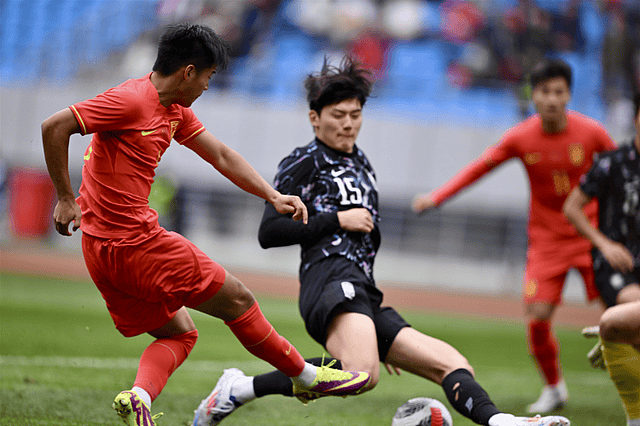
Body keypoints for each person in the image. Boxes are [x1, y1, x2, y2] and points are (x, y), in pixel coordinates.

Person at [192, 56, 571, 426]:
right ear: (315, 118)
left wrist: (370, 329)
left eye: (354, 115)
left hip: (363, 292)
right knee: (363, 373)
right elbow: (269, 232)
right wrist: (337, 219)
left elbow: (366, 242)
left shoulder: (363, 164)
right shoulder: (304, 160)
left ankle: (504, 421)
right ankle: (242, 388)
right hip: (327, 281)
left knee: (451, 363)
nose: (348, 125)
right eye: (338, 116)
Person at [40, 24, 370, 426]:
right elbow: (55, 126)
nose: (208, 87)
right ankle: (305, 377)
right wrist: (63, 197)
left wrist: (272, 195)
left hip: (100, 251)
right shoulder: (131, 100)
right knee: (240, 300)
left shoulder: (173, 110)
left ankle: (138, 397)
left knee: (180, 333)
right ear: (188, 72)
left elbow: (220, 155)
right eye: (209, 78)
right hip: (135, 244)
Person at [412, 58, 617, 414]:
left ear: (569, 94)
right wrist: (437, 197)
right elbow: (479, 168)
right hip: (547, 241)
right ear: (533, 95)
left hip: (592, 237)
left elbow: (624, 171)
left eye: (558, 91)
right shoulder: (522, 137)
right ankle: (554, 388)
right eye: (544, 91)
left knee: (621, 315)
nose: (552, 99)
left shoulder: (592, 132)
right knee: (537, 317)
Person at [563, 93, 640, 425]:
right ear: (636, 118)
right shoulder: (611, 162)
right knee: (632, 303)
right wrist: (604, 244)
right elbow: (571, 207)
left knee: (631, 327)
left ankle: (614, 340)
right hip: (615, 266)